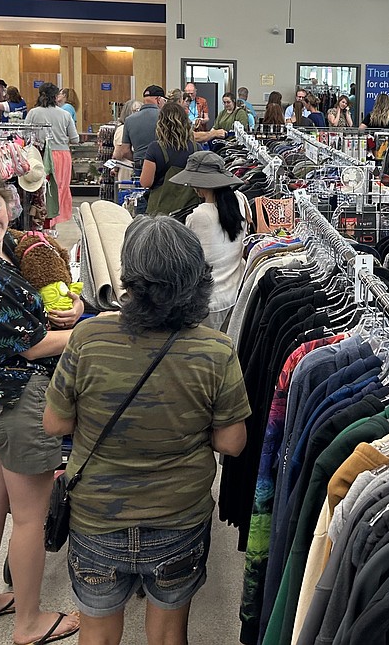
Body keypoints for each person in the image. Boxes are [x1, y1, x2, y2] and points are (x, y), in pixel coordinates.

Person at [43, 215, 249, 645]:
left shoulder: (88, 337)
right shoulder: (216, 349)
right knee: (169, 631)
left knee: (97, 632)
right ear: (196, 277)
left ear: (129, 276)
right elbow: (232, 442)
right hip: (179, 516)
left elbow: (55, 423)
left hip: (98, 515)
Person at [0, 167, 83, 645]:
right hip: (17, 396)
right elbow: (31, 346)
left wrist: (74, 310)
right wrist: (89, 330)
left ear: (9, 202)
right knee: (29, 515)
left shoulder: (4, 251)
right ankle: (29, 622)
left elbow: (35, 311)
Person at [171, 151, 253, 327]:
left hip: (207, 300)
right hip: (234, 295)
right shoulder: (241, 200)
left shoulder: (199, 215)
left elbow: (190, 260)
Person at [25, 82, 81, 225]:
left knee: (40, 188)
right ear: (56, 97)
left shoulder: (33, 112)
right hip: (61, 155)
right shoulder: (65, 114)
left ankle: (40, 220)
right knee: (60, 187)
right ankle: (55, 220)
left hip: (39, 154)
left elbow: (24, 134)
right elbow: (75, 139)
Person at [141, 102, 202, 216]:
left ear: (161, 123)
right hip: (189, 211)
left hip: (161, 212)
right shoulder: (196, 148)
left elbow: (146, 182)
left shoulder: (155, 148)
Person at [114, 85, 165, 173]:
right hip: (162, 165)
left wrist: (138, 159)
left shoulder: (129, 120)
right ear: (159, 99)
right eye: (164, 100)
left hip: (140, 166)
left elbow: (125, 151)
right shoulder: (165, 117)